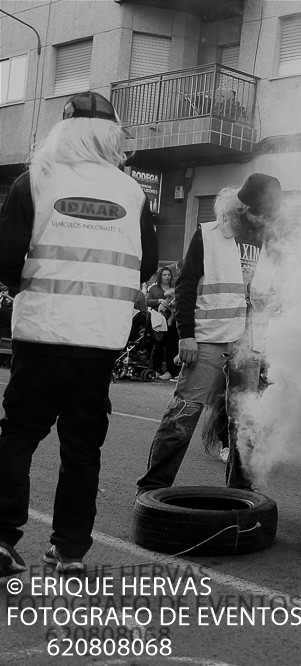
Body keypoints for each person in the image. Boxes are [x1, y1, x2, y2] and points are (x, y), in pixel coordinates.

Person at [0, 92, 157, 576]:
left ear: (62, 132)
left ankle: (3, 541)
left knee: (18, 438)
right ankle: (70, 550)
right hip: (98, 343)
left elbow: (5, 257)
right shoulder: (132, 193)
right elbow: (147, 264)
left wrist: (21, 282)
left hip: (42, 334)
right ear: (111, 134)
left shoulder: (37, 180)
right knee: (83, 448)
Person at [137, 173, 282, 495]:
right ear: (243, 206)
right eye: (259, 210)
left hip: (251, 343)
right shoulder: (210, 235)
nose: (263, 217)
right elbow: (186, 286)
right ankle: (152, 489)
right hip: (208, 338)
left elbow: (275, 290)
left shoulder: (273, 243)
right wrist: (185, 335)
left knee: (244, 420)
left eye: (269, 212)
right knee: (184, 413)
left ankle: (242, 494)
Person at [147, 266, 179, 380]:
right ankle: (157, 370)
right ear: (160, 276)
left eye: (169, 275)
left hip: (172, 321)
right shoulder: (154, 288)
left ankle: (171, 371)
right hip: (159, 322)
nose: (167, 277)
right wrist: (159, 301)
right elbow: (147, 301)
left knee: (172, 346)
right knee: (158, 346)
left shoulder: (174, 288)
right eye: (164, 275)